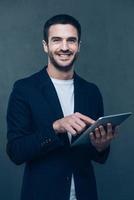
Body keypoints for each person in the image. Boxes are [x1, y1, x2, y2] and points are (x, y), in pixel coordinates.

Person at [6, 14, 116, 200]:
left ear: (78, 46)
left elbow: (98, 156)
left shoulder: (91, 91)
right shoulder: (24, 89)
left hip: (85, 194)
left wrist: (101, 146)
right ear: (45, 45)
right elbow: (16, 152)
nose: (64, 47)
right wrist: (55, 127)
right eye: (57, 40)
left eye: (71, 40)